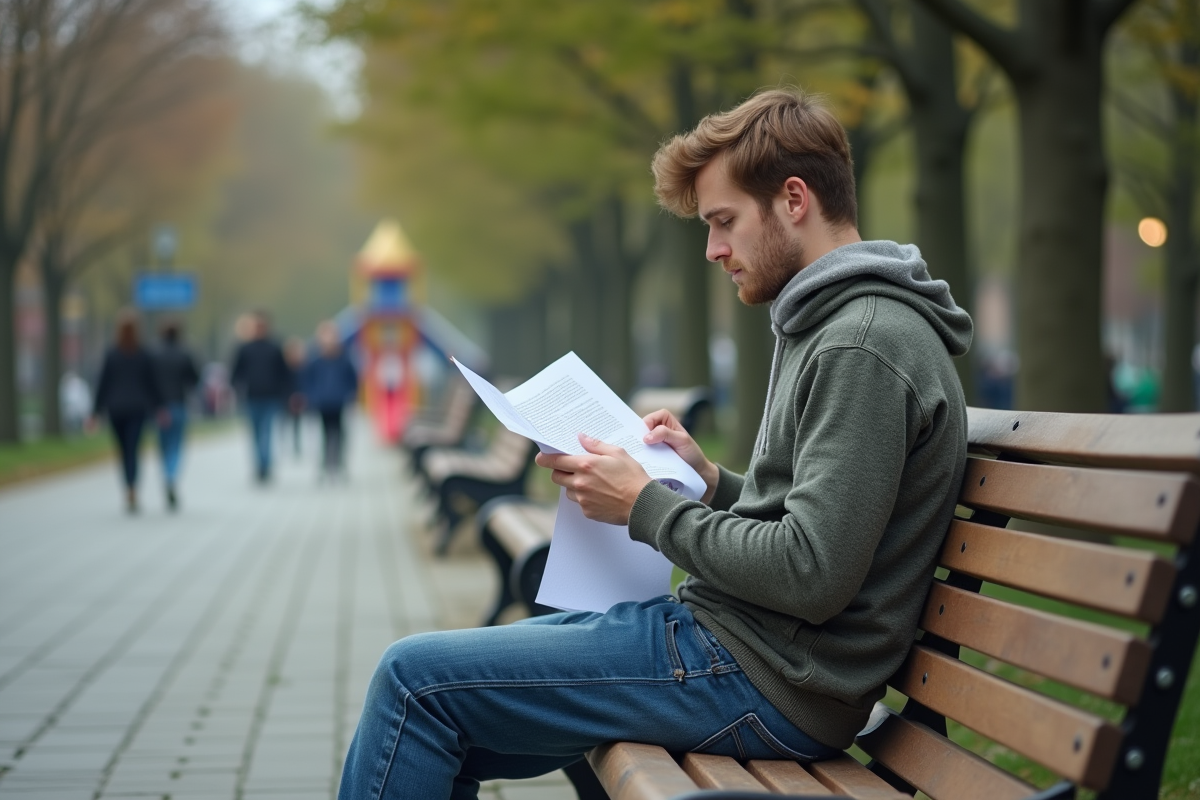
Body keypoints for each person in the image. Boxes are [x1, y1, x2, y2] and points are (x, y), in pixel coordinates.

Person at [337, 87, 973, 799]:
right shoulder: (834, 323)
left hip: (764, 678)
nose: (714, 249)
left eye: (724, 221)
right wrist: (713, 483)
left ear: (795, 199)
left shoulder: (862, 343)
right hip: (743, 649)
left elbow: (812, 573)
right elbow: (822, 525)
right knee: (443, 713)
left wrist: (645, 505)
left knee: (412, 684)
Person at [91, 310, 165, 514]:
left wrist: (95, 412)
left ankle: (128, 486)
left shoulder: (112, 354)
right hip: (138, 408)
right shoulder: (144, 353)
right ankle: (133, 487)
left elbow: (103, 384)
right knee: (134, 449)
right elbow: (153, 384)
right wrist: (160, 407)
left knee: (123, 450)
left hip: (116, 409)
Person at [230, 311, 294, 483]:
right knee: (255, 433)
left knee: (266, 432)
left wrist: (287, 394)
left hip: (271, 397)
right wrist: (236, 389)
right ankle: (260, 464)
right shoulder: (245, 349)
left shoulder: (275, 348)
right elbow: (236, 372)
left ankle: (264, 466)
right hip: (252, 396)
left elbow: (284, 373)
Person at [302, 321, 358, 480]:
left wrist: (349, 395)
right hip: (322, 402)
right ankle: (325, 463)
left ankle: (339, 463)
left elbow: (352, 379)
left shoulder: (344, 357)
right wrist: (311, 396)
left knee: (339, 433)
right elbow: (307, 379)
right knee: (323, 434)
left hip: (339, 401)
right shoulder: (315, 358)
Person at [154, 320, 200, 510]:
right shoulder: (185, 353)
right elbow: (195, 379)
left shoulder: (154, 355)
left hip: (159, 408)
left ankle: (166, 474)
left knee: (163, 445)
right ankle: (171, 476)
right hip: (178, 404)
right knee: (176, 445)